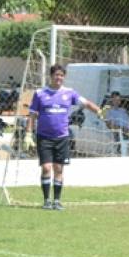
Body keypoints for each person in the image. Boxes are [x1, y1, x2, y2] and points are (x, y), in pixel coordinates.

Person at [27, 63, 103, 210]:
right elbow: (32, 114)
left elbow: (85, 103)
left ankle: (57, 201)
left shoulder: (69, 93)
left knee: (59, 169)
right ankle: (46, 200)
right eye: (56, 75)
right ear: (51, 76)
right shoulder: (40, 93)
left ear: (64, 77)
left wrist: (99, 111)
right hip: (44, 137)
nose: (59, 78)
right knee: (46, 168)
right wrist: (28, 133)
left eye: (61, 75)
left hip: (62, 137)